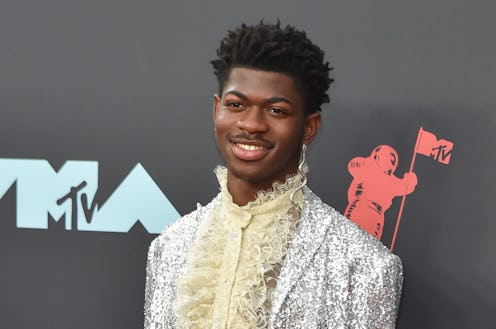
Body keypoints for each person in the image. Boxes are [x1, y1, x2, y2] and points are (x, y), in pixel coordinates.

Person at [144, 21, 403, 329]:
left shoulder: (363, 266)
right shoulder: (170, 247)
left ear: (309, 128)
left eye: (276, 110)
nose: (251, 124)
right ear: (217, 111)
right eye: (236, 105)